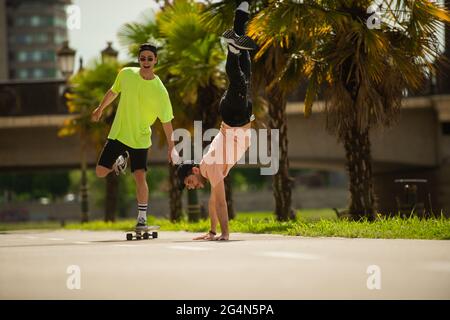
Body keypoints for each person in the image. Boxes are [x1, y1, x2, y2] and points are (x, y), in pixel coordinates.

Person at [176, 1, 256, 241]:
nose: (191, 187)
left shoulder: (209, 167)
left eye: (189, 182)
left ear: (194, 170)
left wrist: (224, 234)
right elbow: (213, 202)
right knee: (245, 73)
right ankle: (241, 14)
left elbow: (221, 202)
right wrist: (210, 232)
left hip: (234, 119)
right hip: (235, 117)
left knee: (239, 81)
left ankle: (232, 49)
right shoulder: (208, 171)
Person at [92, 43, 175, 230]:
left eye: (150, 59)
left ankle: (142, 218)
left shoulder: (160, 91)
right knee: (100, 172)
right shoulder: (126, 74)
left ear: (156, 61)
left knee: (139, 176)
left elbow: (167, 122)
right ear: (139, 60)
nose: (146, 61)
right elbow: (114, 91)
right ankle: (120, 161)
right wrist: (100, 108)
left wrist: (172, 147)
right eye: (143, 58)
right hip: (120, 133)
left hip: (140, 138)